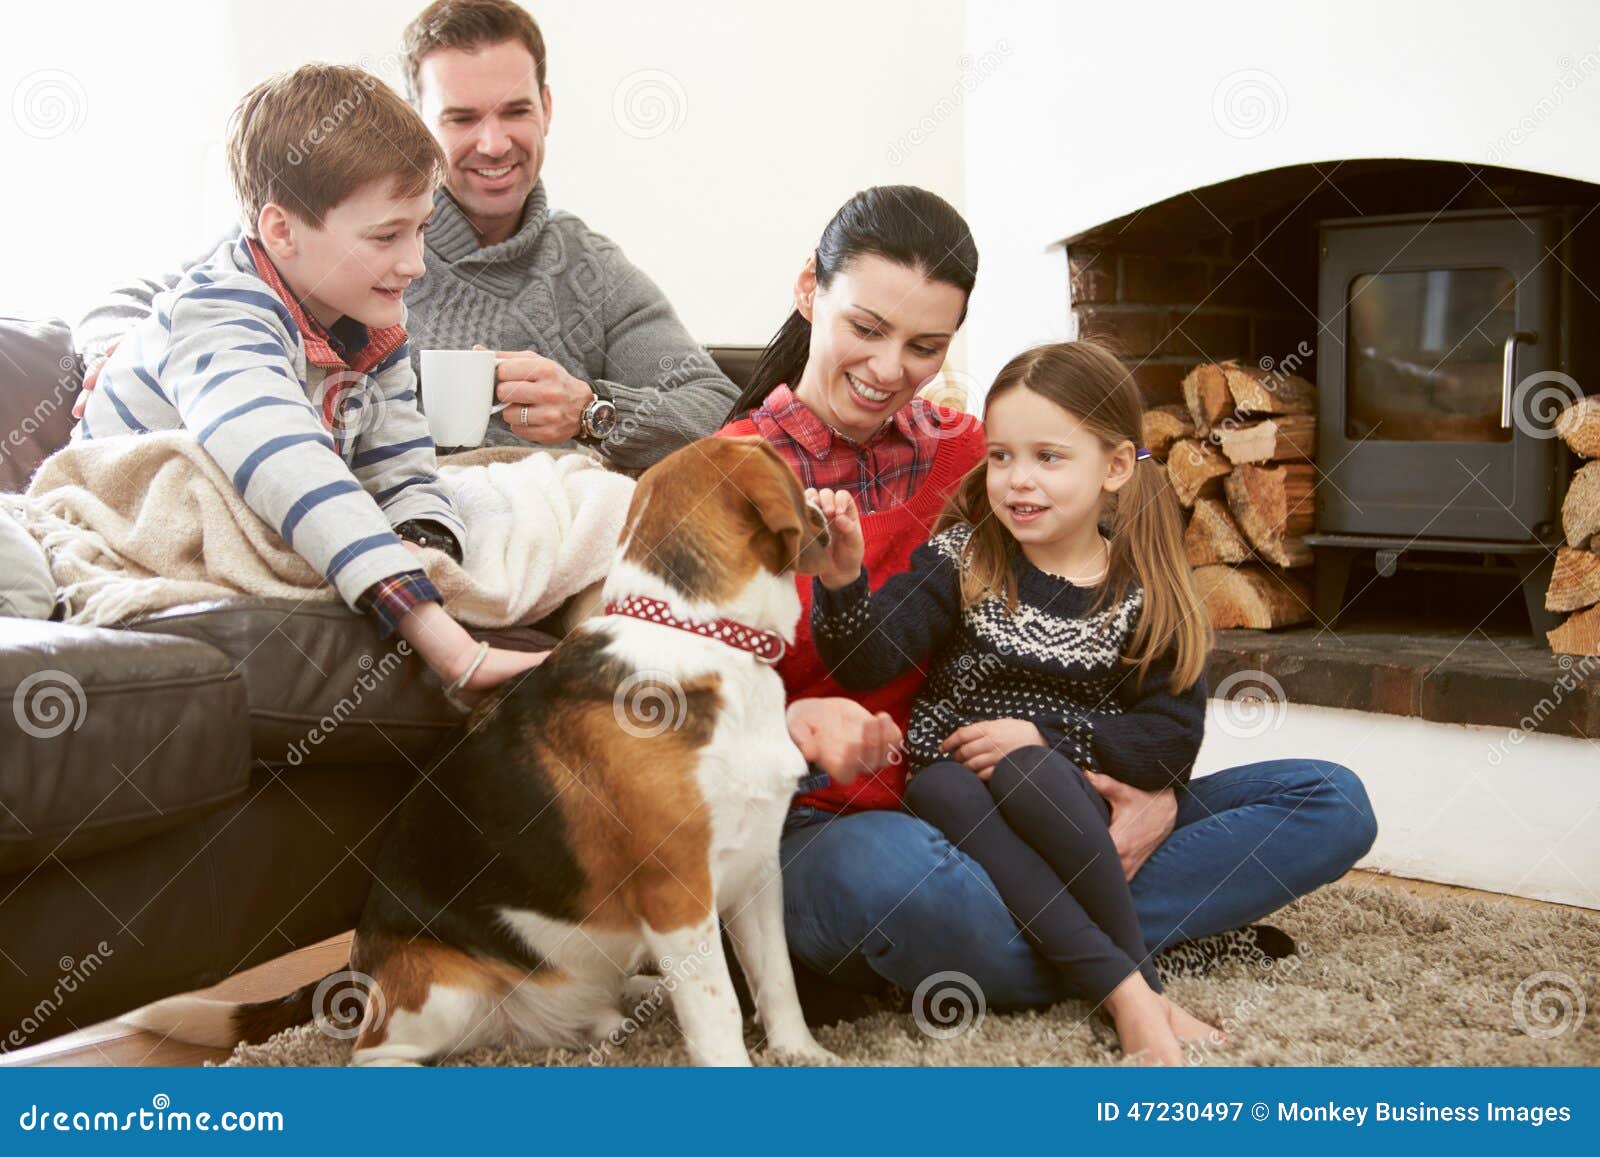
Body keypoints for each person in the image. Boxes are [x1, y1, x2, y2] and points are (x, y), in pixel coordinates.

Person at [718, 186, 1380, 1018]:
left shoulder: (982, 456)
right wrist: (788, 725)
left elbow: (1160, 714)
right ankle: (1116, 954)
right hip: (840, 821)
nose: (890, 370)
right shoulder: (718, 479)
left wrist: (1157, 796)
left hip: (1044, 804)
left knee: (1329, 800)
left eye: (926, 344)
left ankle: (1061, 941)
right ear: (810, 289)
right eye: (866, 328)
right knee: (891, 882)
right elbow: (650, 707)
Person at [72, 0, 733, 470]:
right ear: (418, 121)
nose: (494, 142)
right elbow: (139, 301)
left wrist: (594, 412)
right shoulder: (339, 241)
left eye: (515, 111)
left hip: (542, 530)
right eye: (462, 117)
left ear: (548, 110)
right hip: (382, 513)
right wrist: (118, 355)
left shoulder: (590, 270)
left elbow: (723, 411)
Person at [806, 340, 1229, 1063]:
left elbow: (1168, 743)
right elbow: (868, 659)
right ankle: (1137, 988)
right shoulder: (966, 556)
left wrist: (1039, 736)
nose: (1017, 481)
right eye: (1001, 456)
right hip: (949, 783)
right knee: (969, 788)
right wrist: (844, 583)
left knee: (1323, 798)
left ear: (1117, 467)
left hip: (1068, 806)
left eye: (1048, 457)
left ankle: (1062, 940)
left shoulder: (1142, 593)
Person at [77, 64, 542, 704]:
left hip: (289, 502)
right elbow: (286, 462)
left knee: (558, 496)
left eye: (422, 228)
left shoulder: (371, 323)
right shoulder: (218, 316)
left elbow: (403, 468)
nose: (416, 263)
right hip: (151, 517)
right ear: (281, 231)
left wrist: (426, 544)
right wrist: (445, 640)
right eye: (386, 236)